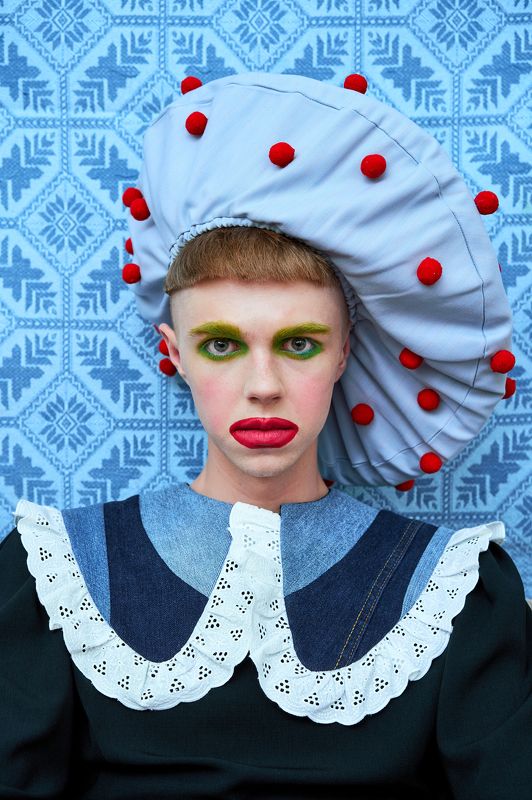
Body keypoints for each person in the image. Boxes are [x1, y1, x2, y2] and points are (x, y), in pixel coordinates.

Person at [1, 71, 530, 799]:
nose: (264, 385)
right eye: (221, 345)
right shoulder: (54, 570)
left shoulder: (458, 587)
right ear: (175, 352)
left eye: (299, 344)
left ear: (344, 354)